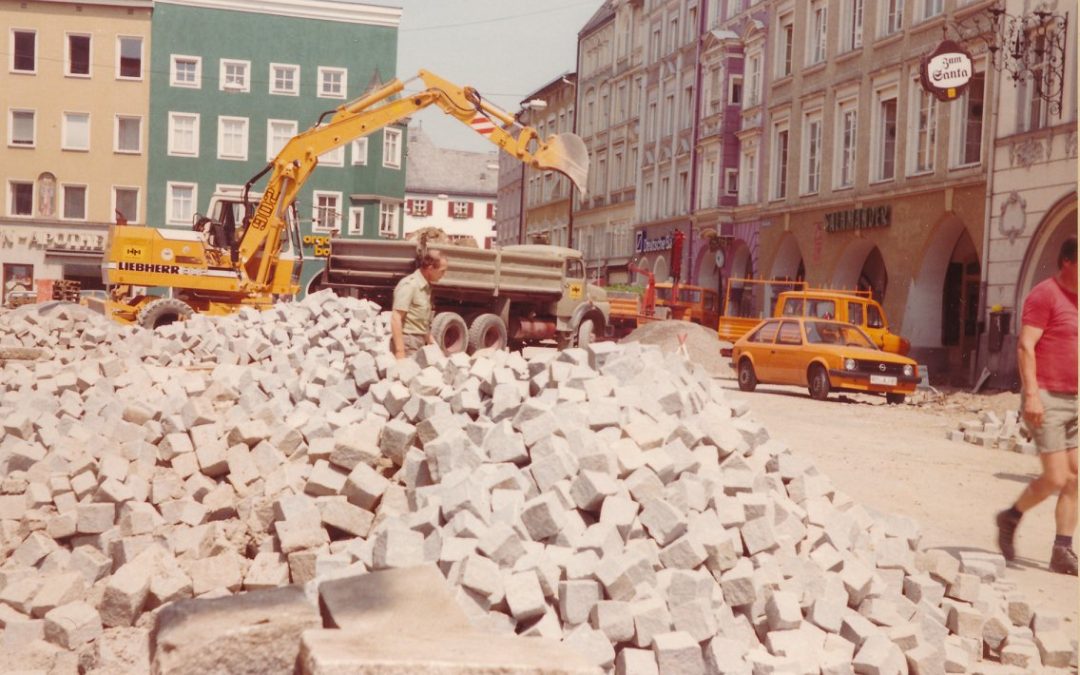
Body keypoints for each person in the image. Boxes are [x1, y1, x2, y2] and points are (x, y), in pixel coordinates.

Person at [997, 236, 1078, 575]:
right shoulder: (1045, 295)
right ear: (1068, 263)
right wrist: (1031, 394)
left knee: (1077, 478)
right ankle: (1011, 516)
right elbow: (1025, 346)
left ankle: (1062, 550)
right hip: (1044, 396)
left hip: (1075, 397)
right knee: (1058, 477)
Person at [390, 249, 448, 359]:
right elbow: (396, 318)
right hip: (408, 343)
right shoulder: (410, 285)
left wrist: (431, 343)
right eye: (442, 271)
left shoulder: (425, 287)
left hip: (419, 341)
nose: (444, 275)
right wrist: (400, 352)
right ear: (430, 268)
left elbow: (419, 321)